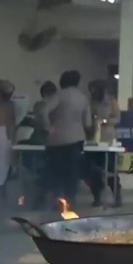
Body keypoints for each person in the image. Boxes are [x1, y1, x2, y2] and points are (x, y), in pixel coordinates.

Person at [41, 70, 92, 207]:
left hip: (56, 139)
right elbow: (88, 123)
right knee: (72, 173)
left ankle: (55, 201)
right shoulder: (83, 98)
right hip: (76, 139)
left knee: (55, 171)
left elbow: (44, 110)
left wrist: (48, 127)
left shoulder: (59, 96)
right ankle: (70, 202)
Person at [84, 79, 122, 207]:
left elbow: (117, 118)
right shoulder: (91, 102)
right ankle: (97, 197)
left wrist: (104, 121)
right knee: (92, 170)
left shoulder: (111, 101)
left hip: (107, 137)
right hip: (93, 138)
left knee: (110, 168)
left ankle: (117, 197)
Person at [29, 81, 56, 209]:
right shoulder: (45, 106)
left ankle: (40, 199)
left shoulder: (38, 105)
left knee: (40, 171)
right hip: (44, 141)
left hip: (39, 140)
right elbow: (46, 126)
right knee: (45, 171)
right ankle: (41, 199)